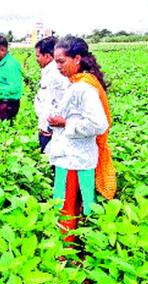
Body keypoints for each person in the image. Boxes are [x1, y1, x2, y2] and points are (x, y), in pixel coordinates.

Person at [47, 36, 116, 243]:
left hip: (73, 161)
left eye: (61, 61)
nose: (57, 66)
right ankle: (86, 248)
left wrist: (64, 123)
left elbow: (99, 124)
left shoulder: (83, 87)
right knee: (82, 205)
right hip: (75, 157)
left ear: (77, 58)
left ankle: (67, 255)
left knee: (66, 207)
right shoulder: (78, 83)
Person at [34, 36, 70, 153]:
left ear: (48, 56)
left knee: (52, 163)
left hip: (51, 129)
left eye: (38, 56)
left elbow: (55, 102)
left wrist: (48, 128)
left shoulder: (55, 74)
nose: (36, 59)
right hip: (48, 126)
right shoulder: (49, 72)